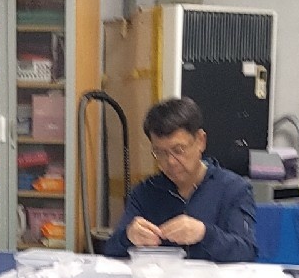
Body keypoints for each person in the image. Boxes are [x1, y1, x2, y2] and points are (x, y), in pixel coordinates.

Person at [103, 97, 258, 262]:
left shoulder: (233, 189)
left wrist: (204, 234)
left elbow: (247, 251)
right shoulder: (145, 192)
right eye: (160, 153)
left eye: (178, 150)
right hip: (161, 277)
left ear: (201, 141)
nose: (170, 161)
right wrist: (128, 236)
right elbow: (110, 250)